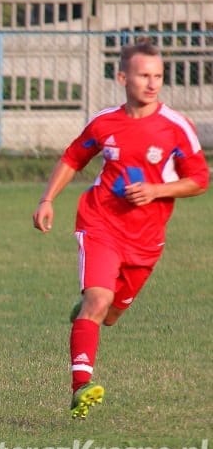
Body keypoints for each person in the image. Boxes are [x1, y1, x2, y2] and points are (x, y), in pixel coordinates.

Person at [32, 38, 209, 420]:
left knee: (109, 314)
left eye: (158, 75)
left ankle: (89, 314)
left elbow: (199, 180)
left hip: (146, 241)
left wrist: (157, 190)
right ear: (122, 76)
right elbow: (73, 157)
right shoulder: (104, 122)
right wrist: (47, 200)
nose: (152, 83)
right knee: (97, 302)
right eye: (144, 75)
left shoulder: (176, 127)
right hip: (100, 224)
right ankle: (81, 386)